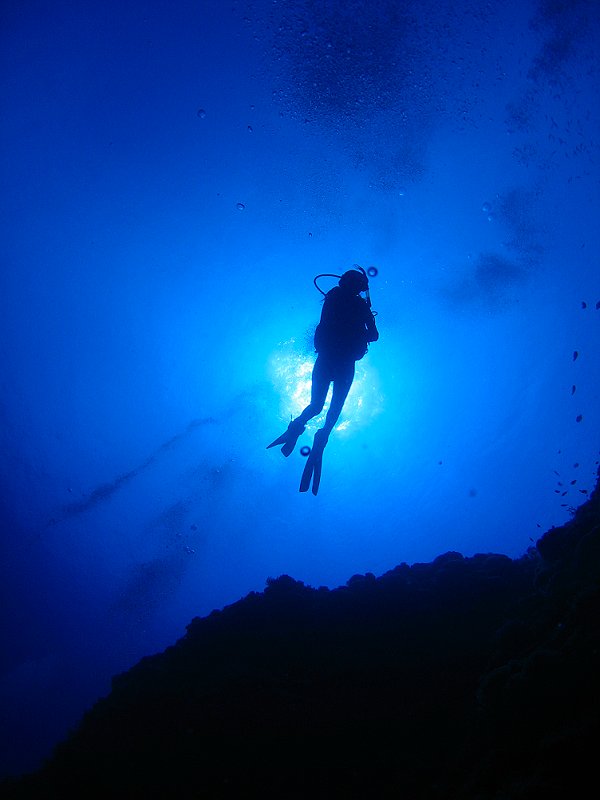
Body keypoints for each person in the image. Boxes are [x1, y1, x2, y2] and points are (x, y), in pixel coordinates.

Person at [268, 267, 379, 493]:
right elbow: (374, 336)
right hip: (345, 363)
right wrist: (366, 321)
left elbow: (326, 323)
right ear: (359, 287)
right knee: (334, 410)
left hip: (325, 360)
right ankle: (323, 436)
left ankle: (296, 427)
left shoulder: (332, 296)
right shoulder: (360, 305)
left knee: (316, 405)